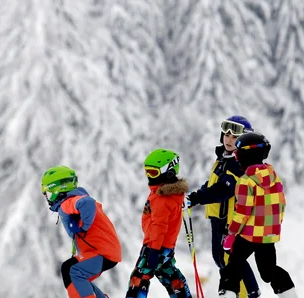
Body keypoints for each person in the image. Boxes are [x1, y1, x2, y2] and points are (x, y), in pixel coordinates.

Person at [187, 116, 261, 298]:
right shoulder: (224, 160)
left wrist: (197, 198)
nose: (228, 139)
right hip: (219, 221)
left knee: (232, 263)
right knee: (222, 261)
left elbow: (223, 189)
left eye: (234, 137)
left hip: (231, 223)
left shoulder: (239, 164)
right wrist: (193, 196)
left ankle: (246, 295)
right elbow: (213, 184)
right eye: (226, 135)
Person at [218, 132, 298, 298]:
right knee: (268, 272)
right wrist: (272, 228)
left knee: (233, 266)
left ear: (245, 155)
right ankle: (289, 294)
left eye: (237, 153)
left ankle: (227, 295)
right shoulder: (274, 178)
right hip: (267, 236)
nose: (236, 157)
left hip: (248, 235)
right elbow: (280, 205)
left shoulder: (245, 181)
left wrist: (231, 234)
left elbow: (242, 212)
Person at [41, 166, 122, 298]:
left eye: (49, 194)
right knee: (79, 277)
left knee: (71, 269)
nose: (48, 199)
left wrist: (84, 225)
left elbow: (86, 203)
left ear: (58, 190)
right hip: (103, 251)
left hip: (102, 253)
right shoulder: (71, 200)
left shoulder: (68, 202)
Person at [125, 149, 193, 298]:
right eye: (147, 172)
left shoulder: (163, 198)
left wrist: (153, 251)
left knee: (139, 277)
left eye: (153, 173)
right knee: (169, 274)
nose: (149, 176)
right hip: (166, 246)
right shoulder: (167, 193)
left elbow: (159, 226)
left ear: (168, 172)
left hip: (155, 245)